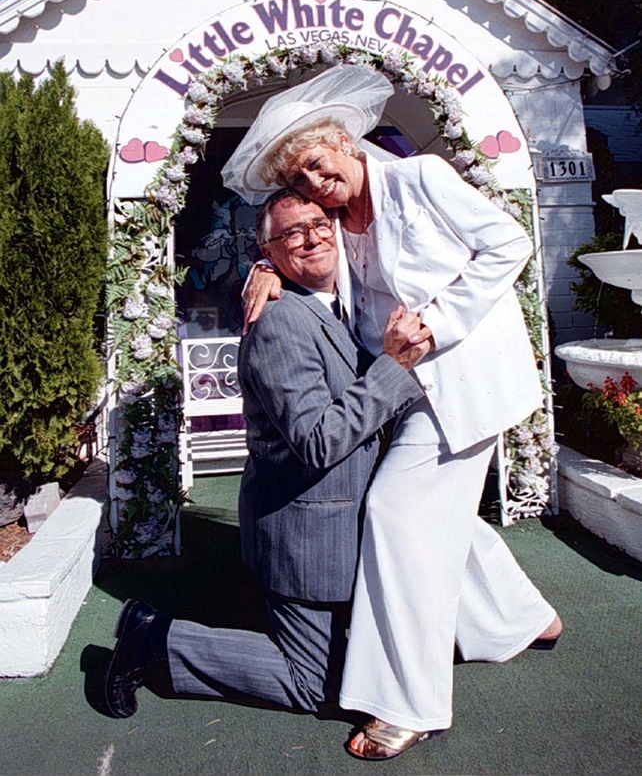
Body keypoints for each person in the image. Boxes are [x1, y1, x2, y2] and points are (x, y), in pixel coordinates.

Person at [222, 64, 562, 760]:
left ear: (344, 142)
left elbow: (510, 242)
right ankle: (522, 619)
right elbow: (307, 257)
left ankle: (407, 702)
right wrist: (266, 269)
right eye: (300, 178)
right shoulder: (330, 222)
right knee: (436, 510)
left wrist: (437, 323)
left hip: (460, 383)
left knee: (396, 513)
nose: (315, 182)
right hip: (398, 389)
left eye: (318, 163)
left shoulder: (421, 179)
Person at [102, 188, 428, 720]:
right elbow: (318, 440)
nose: (312, 238)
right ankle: (156, 638)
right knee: (314, 684)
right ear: (269, 251)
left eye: (319, 224)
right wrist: (394, 368)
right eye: (291, 234)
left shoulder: (350, 299)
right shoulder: (279, 324)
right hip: (311, 535)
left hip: (357, 524)